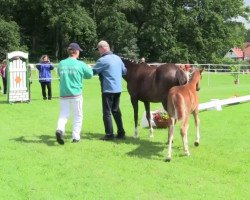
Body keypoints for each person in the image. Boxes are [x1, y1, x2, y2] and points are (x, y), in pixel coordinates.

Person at [55, 43, 93, 145]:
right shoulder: (80, 64)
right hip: (76, 94)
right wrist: (89, 68)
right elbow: (90, 75)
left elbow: (59, 74)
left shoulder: (62, 63)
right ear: (76, 52)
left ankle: (59, 129)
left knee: (63, 115)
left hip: (64, 94)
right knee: (78, 115)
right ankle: (76, 137)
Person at [92, 40, 127, 140]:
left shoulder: (102, 60)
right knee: (116, 110)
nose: (98, 51)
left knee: (107, 112)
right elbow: (124, 71)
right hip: (118, 88)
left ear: (102, 48)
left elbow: (93, 72)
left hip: (107, 89)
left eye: (98, 49)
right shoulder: (118, 58)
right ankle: (121, 132)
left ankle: (109, 135)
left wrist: (88, 68)